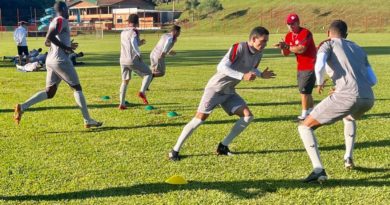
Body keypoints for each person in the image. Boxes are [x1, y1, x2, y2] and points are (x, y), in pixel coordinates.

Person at [168, 26, 276, 161]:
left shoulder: (259, 53)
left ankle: (223, 146)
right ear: (253, 39)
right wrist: (242, 76)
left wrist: (261, 74)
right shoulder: (239, 47)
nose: (265, 44)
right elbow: (221, 67)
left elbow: (251, 67)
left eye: (266, 41)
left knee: (247, 117)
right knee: (199, 120)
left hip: (229, 91)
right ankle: (174, 151)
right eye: (263, 41)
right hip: (215, 89)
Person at [298, 20, 377, 183]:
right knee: (349, 117)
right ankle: (348, 158)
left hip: (347, 95)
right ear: (346, 35)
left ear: (328, 33)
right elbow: (373, 79)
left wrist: (320, 82)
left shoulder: (327, 44)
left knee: (305, 127)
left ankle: (318, 170)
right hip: (368, 98)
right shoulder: (358, 48)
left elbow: (319, 66)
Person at [14, 1, 102, 128]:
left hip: (50, 60)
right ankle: (87, 120)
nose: (68, 12)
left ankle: (22, 107)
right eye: (67, 9)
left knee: (50, 93)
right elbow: (50, 36)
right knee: (77, 88)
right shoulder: (61, 20)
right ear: (63, 9)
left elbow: (47, 42)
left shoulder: (54, 21)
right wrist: (66, 48)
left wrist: (66, 45)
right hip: (60, 60)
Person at [274, 13, 317, 120]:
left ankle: (304, 114)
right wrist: (283, 47)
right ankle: (312, 110)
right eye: (288, 24)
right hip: (301, 66)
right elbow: (285, 54)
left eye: (293, 24)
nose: (291, 26)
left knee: (303, 92)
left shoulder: (305, 33)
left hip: (310, 64)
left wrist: (287, 46)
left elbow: (301, 49)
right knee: (307, 91)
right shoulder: (288, 36)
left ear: (298, 23)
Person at [118, 14, 153, 110]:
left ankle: (122, 103)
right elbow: (133, 43)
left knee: (125, 81)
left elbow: (131, 44)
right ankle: (142, 91)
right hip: (132, 59)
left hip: (122, 60)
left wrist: (140, 43)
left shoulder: (123, 32)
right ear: (137, 22)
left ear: (128, 22)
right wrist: (139, 53)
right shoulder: (134, 31)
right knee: (148, 74)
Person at [148, 25, 181, 89]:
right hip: (159, 56)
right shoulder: (170, 38)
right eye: (179, 32)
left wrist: (169, 52)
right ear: (175, 31)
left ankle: (146, 86)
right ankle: (147, 76)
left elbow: (162, 45)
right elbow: (167, 42)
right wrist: (163, 53)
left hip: (153, 54)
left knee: (153, 71)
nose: (180, 33)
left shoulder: (165, 35)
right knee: (161, 73)